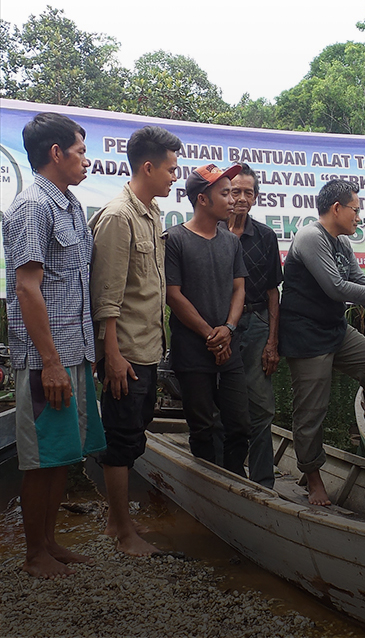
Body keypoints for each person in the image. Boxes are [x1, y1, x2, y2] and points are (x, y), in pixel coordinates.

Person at [3, 113, 106, 577]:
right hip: (49, 358)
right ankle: (33, 555)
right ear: (56, 153)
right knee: (41, 455)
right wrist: (50, 362)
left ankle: (49, 541)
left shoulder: (70, 206)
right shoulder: (31, 206)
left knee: (64, 452)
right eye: (81, 151)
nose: (87, 160)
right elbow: (27, 287)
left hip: (75, 351)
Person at [279, 179, 365, 506]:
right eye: (356, 209)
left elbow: (359, 282)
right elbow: (336, 288)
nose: (358, 217)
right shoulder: (310, 238)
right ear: (336, 208)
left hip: (335, 329)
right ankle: (313, 478)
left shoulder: (342, 243)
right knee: (312, 411)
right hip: (306, 335)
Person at [89, 126, 182, 556]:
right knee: (121, 437)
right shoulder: (118, 216)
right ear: (148, 166)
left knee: (134, 433)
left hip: (147, 348)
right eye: (170, 169)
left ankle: (120, 522)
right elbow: (106, 296)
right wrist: (112, 355)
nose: (173, 177)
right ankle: (119, 529)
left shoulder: (151, 212)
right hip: (125, 350)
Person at [165, 163, 252, 478]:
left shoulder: (230, 241)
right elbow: (173, 294)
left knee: (239, 423)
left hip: (228, 346)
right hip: (192, 349)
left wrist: (227, 329)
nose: (233, 200)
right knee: (203, 426)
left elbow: (239, 287)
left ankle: (234, 481)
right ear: (203, 199)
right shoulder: (175, 239)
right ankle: (209, 484)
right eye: (225, 193)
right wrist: (210, 335)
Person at [220, 163, 283, 488]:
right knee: (223, 404)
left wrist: (273, 343)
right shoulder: (211, 233)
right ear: (224, 195)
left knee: (261, 407)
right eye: (234, 191)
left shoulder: (266, 236)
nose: (240, 198)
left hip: (257, 323)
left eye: (247, 192)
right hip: (219, 329)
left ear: (255, 197)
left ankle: (263, 483)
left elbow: (274, 293)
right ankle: (227, 475)